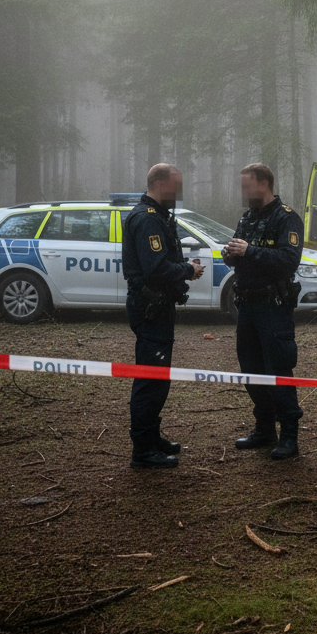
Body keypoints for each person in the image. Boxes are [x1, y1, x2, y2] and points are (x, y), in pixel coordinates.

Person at [122, 164, 204, 470]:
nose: (178, 194)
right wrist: (188, 270)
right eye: (174, 186)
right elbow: (155, 268)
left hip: (157, 306)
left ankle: (152, 438)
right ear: (158, 183)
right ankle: (142, 450)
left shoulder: (156, 216)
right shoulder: (147, 219)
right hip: (150, 307)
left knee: (158, 378)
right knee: (150, 379)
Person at [222, 163, 305, 460]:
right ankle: (265, 428)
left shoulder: (287, 218)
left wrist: (249, 252)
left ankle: (289, 436)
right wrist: (229, 254)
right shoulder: (248, 218)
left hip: (274, 308)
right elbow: (233, 251)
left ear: (264, 184)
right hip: (247, 306)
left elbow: (288, 260)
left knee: (279, 370)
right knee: (251, 370)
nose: (243, 192)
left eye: (247, 186)